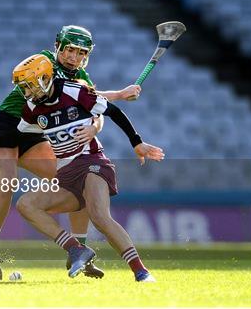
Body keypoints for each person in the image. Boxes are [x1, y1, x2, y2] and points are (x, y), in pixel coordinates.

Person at [0, 26, 141, 281]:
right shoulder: (42, 62)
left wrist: (94, 127)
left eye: (80, 52)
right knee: (8, 182)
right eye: (69, 50)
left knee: (76, 180)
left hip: (37, 130)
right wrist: (118, 94)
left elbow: (89, 105)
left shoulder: (81, 74)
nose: (73, 57)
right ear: (58, 46)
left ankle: (80, 253)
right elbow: (50, 94)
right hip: (7, 126)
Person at [10, 54, 162, 281]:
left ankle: (141, 271)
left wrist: (136, 142)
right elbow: (20, 132)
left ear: (44, 79)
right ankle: (76, 249)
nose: (27, 92)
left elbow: (111, 111)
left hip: (91, 163)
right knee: (26, 205)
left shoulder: (73, 90)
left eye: (29, 86)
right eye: (24, 88)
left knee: (99, 216)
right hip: (65, 176)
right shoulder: (32, 108)